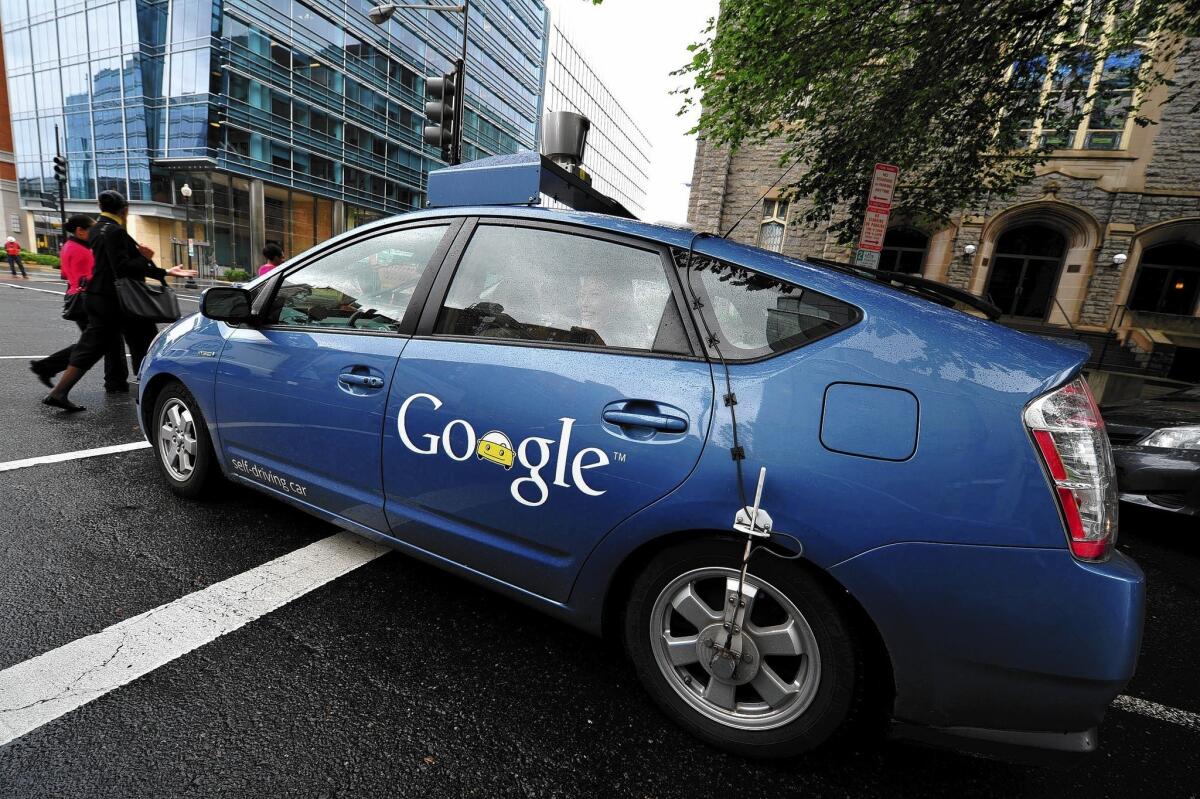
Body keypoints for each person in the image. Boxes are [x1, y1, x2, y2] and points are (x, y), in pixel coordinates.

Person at [42, 191, 196, 412]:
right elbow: (122, 267)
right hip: (118, 300)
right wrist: (149, 260)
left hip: (98, 296)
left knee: (92, 346)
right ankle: (147, 393)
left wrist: (154, 266)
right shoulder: (115, 231)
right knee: (144, 342)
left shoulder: (96, 229)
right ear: (125, 209)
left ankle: (59, 392)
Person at [30, 216, 128, 392]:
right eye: (91, 228)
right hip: (86, 301)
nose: (95, 231)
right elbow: (92, 276)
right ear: (80, 230)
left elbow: (65, 275)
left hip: (78, 298)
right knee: (95, 344)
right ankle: (47, 367)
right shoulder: (82, 250)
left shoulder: (69, 246)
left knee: (100, 343)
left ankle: (115, 381)